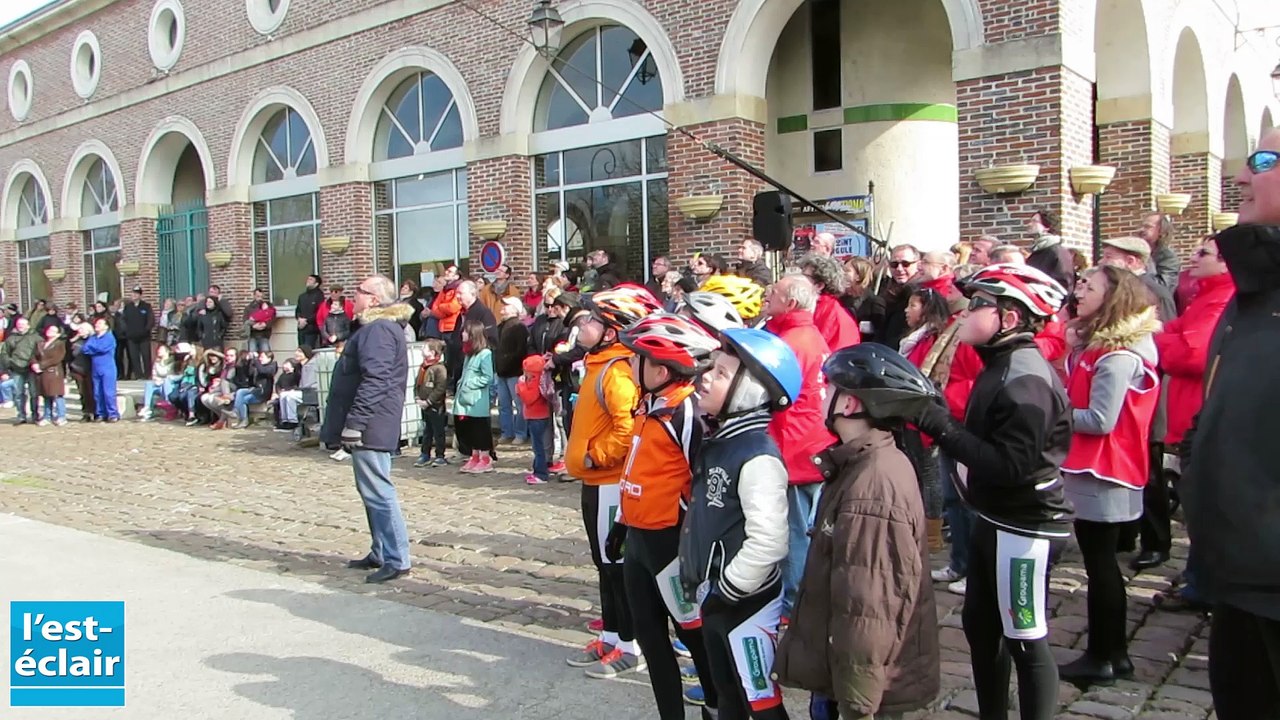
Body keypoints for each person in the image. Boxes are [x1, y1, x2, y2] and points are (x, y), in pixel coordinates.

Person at [905, 263, 1073, 720]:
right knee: (980, 626)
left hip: (1026, 524)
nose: (965, 312)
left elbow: (1009, 466)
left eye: (979, 304)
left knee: (1025, 638)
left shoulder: (1025, 379)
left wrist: (940, 426)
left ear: (1010, 318)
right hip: (994, 517)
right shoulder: (1000, 364)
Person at [776, 343, 942, 720]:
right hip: (836, 673)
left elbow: (869, 608)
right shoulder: (860, 462)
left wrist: (857, 705)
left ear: (849, 404)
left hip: (859, 690)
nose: (821, 396)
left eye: (829, 389)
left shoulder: (873, 486)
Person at [1180, 200, 1280, 717]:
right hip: (1237, 569)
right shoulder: (1251, 294)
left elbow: (1185, 353)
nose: (1242, 177)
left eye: (1264, 163)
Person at [680, 327, 797, 720]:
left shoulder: (756, 455)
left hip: (744, 600)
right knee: (727, 694)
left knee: (759, 699)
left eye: (721, 373)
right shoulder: (720, 441)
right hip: (715, 595)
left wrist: (729, 588)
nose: (706, 378)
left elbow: (769, 541)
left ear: (750, 392)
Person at [608, 312, 721, 718]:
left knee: (692, 633)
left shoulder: (686, 412)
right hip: (639, 539)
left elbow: (704, 482)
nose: (629, 363)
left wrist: (697, 543)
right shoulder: (649, 404)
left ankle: (715, 704)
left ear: (660, 369)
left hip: (671, 543)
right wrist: (620, 523)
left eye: (636, 358)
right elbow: (638, 468)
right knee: (651, 638)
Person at [1058, 266, 1161, 686]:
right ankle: (1111, 654)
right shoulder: (1099, 348)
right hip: (1097, 467)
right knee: (1100, 564)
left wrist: (1054, 415)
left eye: (1089, 286)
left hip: (1105, 469)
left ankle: (1104, 656)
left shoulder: (1118, 356)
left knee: (1101, 567)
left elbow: (1101, 419)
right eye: (1080, 283)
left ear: (1113, 298)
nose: (1079, 291)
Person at [564, 286, 661, 678]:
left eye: (590, 320)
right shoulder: (597, 364)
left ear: (610, 331)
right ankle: (610, 635)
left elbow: (626, 428)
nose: (581, 325)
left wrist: (596, 455)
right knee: (603, 564)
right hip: (593, 482)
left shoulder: (617, 371)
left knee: (615, 565)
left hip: (608, 482)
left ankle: (630, 645)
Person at [1150, 235, 1234, 612]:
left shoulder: (1223, 298)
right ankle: (1198, 580)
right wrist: (1167, 335)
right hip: (1189, 411)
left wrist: (1157, 338)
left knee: (1202, 506)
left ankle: (1203, 587)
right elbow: (1177, 331)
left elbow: (1192, 355)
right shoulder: (1206, 295)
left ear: (1226, 262)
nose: (1194, 258)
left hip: (1201, 413)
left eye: (1204, 253)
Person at [320, 274, 414, 584]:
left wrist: (356, 422)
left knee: (378, 491)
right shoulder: (373, 328)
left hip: (373, 423)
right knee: (370, 491)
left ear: (374, 299)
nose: (354, 296)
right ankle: (381, 550)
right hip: (371, 422)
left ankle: (397, 558)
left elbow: (376, 380)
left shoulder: (379, 329)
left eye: (359, 291)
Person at [761, 274, 837, 617]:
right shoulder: (807, 334)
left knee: (794, 533)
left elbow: (773, 396)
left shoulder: (790, 343)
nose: (768, 294)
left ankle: (794, 608)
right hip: (810, 442)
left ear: (790, 302)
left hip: (794, 446)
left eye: (775, 292)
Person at [454, 319, 496, 474]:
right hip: (465, 399)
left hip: (476, 399)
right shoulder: (469, 354)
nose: (462, 334)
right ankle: (475, 455)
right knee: (469, 428)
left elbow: (488, 377)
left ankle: (485, 458)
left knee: (480, 429)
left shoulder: (485, 354)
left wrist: (470, 383)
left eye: (465, 331)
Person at [796, 253, 861, 351]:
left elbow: (814, 347)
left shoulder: (825, 310)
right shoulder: (824, 305)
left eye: (805, 277)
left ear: (819, 285)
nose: (798, 280)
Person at [494, 297, 530, 446]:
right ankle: (506, 432)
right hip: (501, 371)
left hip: (515, 371)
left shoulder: (519, 327)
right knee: (503, 405)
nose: (503, 308)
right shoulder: (500, 326)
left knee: (519, 405)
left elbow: (521, 350)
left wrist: (511, 362)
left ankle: (520, 433)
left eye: (507, 305)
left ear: (515, 309)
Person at [516, 354, 555, 485]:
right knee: (538, 447)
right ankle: (537, 470)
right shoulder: (539, 379)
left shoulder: (536, 381)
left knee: (538, 448)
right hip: (537, 417)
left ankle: (541, 474)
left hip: (537, 418)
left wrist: (521, 385)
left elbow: (529, 398)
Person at [413, 339, 449, 468]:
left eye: (425, 348)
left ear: (432, 352)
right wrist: (417, 397)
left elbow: (440, 387)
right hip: (424, 405)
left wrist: (429, 401)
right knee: (427, 430)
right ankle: (425, 453)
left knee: (438, 431)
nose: (422, 350)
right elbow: (417, 383)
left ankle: (440, 455)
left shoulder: (439, 368)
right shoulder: (423, 367)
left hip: (436, 406)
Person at [1024, 207, 1075, 293]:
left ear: (1046, 227)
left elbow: (1064, 283)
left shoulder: (1056, 252)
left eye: (1034, 221)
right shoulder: (1038, 250)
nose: (1029, 224)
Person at [0, 316, 40, 424]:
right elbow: (4, 354)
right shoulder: (11, 338)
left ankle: (35, 415)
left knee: (34, 393)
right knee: (18, 393)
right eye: (19, 325)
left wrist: (36, 363)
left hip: (31, 368)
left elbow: (41, 352)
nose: (21, 326)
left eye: (23, 324)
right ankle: (21, 415)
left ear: (28, 325)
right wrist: (6, 368)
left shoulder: (36, 338)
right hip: (16, 368)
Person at [81, 318, 121, 423]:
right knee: (97, 393)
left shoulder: (109, 337)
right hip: (96, 368)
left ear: (106, 326)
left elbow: (103, 348)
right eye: (96, 323)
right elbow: (85, 349)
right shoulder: (93, 337)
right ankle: (101, 413)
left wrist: (93, 349)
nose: (97, 325)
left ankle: (113, 414)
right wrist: (95, 349)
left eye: (100, 323)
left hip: (107, 367)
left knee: (108, 392)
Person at [32, 324, 68, 426]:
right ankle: (47, 416)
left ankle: (61, 416)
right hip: (42, 373)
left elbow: (57, 358)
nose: (50, 331)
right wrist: (34, 364)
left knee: (57, 394)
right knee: (46, 395)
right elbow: (34, 355)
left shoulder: (60, 344)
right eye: (49, 329)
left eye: (53, 330)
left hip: (54, 372)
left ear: (57, 334)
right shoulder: (41, 343)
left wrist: (41, 365)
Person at [138, 344, 177, 421]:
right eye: (158, 349)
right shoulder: (156, 362)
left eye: (161, 349)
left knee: (166, 382)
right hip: (158, 383)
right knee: (149, 384)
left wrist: (161, 380)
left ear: (167, 352)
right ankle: (147, 407)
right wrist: (157, 380)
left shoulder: (173, 362)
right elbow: (154, 374)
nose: (159, 351)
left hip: (168, 385)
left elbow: (169, 375)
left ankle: (169, 405)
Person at [295, 274, 325, 349]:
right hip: (301, 329)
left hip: (312, 330)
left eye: (311, 279)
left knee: (309, 350)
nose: (308, 281)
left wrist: (307, 320)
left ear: (316, 284)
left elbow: (319, 312)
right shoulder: (302, 296)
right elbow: (298, 310)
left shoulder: (319, 296)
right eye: (308, 279)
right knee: (301, 350)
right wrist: (299, 319)